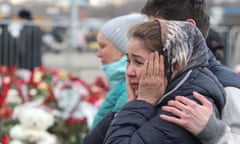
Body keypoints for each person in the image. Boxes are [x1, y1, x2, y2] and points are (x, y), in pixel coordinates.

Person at [102, 19, 225, 144]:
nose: (129, 72)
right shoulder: (165, 96)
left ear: (172, 64)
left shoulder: (183, 108)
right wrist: (134, 105)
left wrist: (142, 102)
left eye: (138, 62)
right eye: (128, 61)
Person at [140, 0, 240, 143]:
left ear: (189, 29)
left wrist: (215, 133)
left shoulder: (227, 86)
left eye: (156, 31)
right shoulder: (165, 78)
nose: (149, 40)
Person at [90, 13, 147, 129]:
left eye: (103, 46)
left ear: (123, 48)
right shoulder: (121, 83)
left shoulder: (130, 88)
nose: (98, 54)